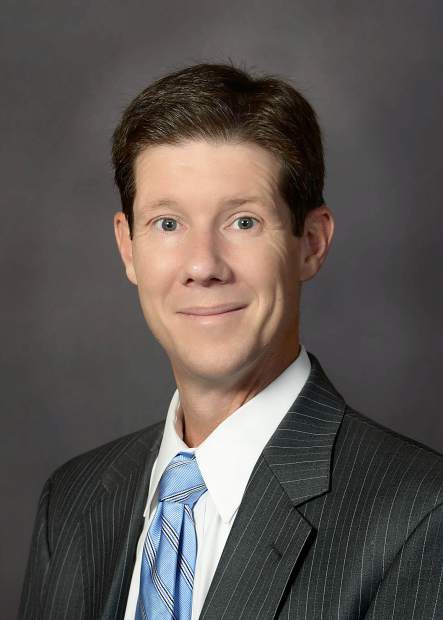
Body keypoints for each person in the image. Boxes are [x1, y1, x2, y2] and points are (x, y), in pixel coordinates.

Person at [20, 63, 443, 620]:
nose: (203, 266)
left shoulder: (420, 515)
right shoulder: (70, 503)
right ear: (128, 248)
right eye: (168, 224)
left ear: (312, 243)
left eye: (243, 222)